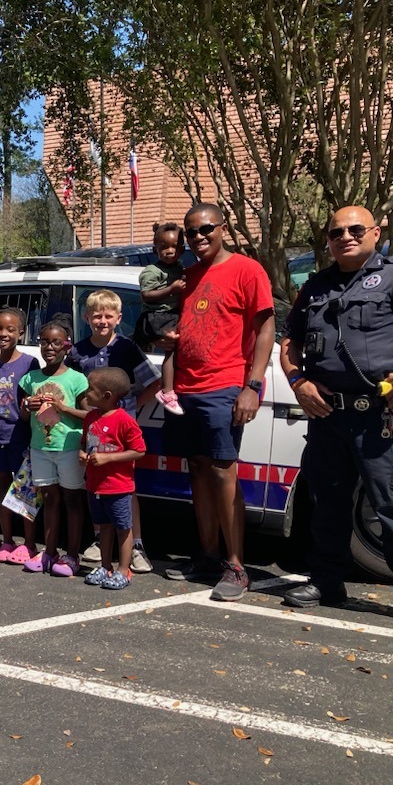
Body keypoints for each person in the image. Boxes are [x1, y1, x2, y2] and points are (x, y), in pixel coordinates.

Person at [280, 205, 393, 632]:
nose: (345, 237)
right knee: (327, 504)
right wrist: (299, 382)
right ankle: (326, 582)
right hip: (327, 417)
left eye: (355, 229)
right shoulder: (316, 285)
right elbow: (290, 342)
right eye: (336, 232)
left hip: (381, 418)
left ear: (375, 232)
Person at [161, 203, 276, 601]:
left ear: (222, 228)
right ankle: (207, 555)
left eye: (206, 229)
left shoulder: (247, 270)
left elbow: (266, 330)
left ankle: (236, 565)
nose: (198, 237)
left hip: (225, 386)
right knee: (199, 472)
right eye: (191, 233)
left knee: (225, 473)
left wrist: (253, 385)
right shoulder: (187, 276)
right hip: (186, 390)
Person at [66, 288, 161, 574]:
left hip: (120, 433)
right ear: (86, 318)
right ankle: (98, 540)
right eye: (96, 316)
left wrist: (130, 407)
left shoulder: (127, 348)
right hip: (93, 430)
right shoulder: (77, 352)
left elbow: (154, 383)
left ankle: (136, 545)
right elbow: (69, 387)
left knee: (124, 487)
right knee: (96, 486)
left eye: (108, 316)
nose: (102, 321)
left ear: (118, 318)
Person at [19, 317, 88, 576]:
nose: (50, 348)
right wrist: (28, 406)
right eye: (45, 342)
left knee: (72, 499)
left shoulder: (77, 379)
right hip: (40, 447)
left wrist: (63, 408)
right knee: (49, 499)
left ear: (67, 346)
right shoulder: (31, 378)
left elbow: (88, 414)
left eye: (57, 343)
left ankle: (72, 555)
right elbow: (23, 415)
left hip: (69, 446)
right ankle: (49, 552)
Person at [0, 308, 39, 564]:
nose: (4, 334)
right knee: (1, 487)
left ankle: (30, 544)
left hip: (20, 437)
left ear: (21, 333)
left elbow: (30, 404)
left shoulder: (29, 363)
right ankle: (7, 540)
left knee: (24, 490)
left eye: (11, 329)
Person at [78, 367, 146, 591]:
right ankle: (105, 566)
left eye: (91, 390)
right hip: (95, 485)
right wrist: (83, 454)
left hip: (118, 487)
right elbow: (85, 443)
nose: (86, 394)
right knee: (103, 527)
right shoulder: (91, 417)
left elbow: (139, 450)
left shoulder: (124, 420)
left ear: (107, 395)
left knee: (122, 528)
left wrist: (109, 458)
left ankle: (123, 569)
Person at [138, 221, 187, 415]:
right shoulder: (151, 271)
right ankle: (167, 392)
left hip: (171, 314)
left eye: (174, 247)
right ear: (155, 249)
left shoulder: (179, 268)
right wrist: (171, 289)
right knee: (172, 350)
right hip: (156, 315)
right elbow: (146, 295)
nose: (169, 251)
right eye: (164, 247)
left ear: (182, 249)